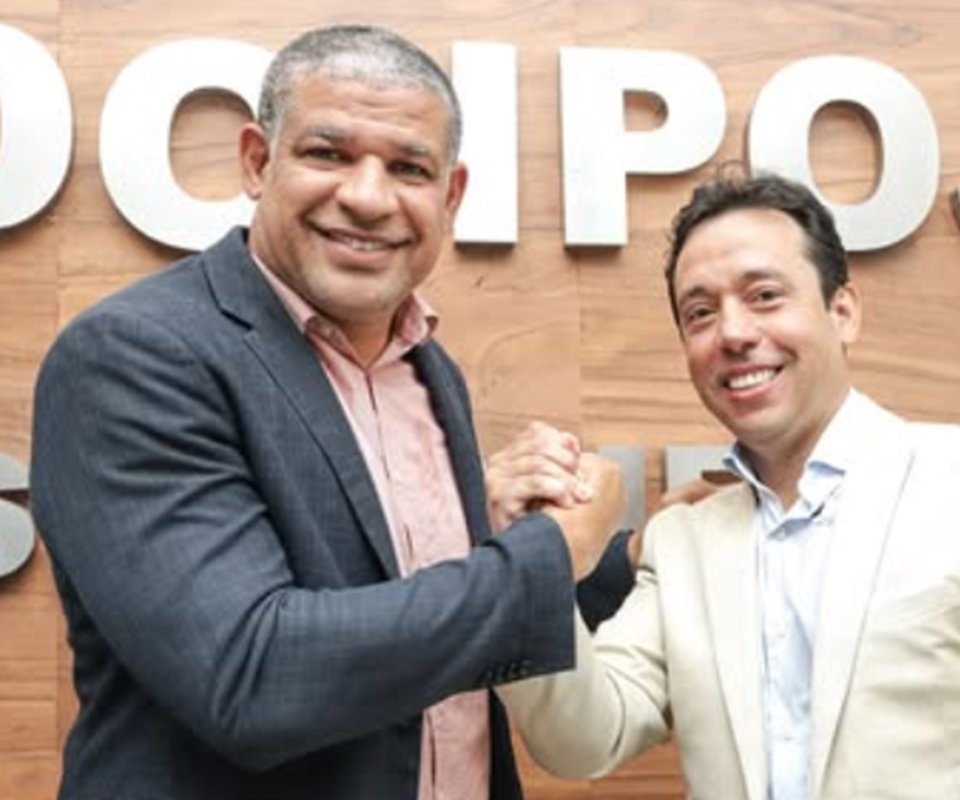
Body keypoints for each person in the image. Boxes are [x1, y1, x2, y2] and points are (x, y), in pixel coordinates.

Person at [30, 24, 632, 800]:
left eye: (409, 168)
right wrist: (551, 552)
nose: (368, 197)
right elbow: (251, 677)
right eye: (328, 154)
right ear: (258, 161)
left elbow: (413, 609)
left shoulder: (427, 366)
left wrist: (624, 553)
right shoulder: (133, 354)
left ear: (450, 196)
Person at [500, 169, 960, 799]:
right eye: (700, 313)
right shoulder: (682, 541)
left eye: (764, 296)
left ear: (843, 312)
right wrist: (533, 552)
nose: (733, 333)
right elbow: (583, 740)